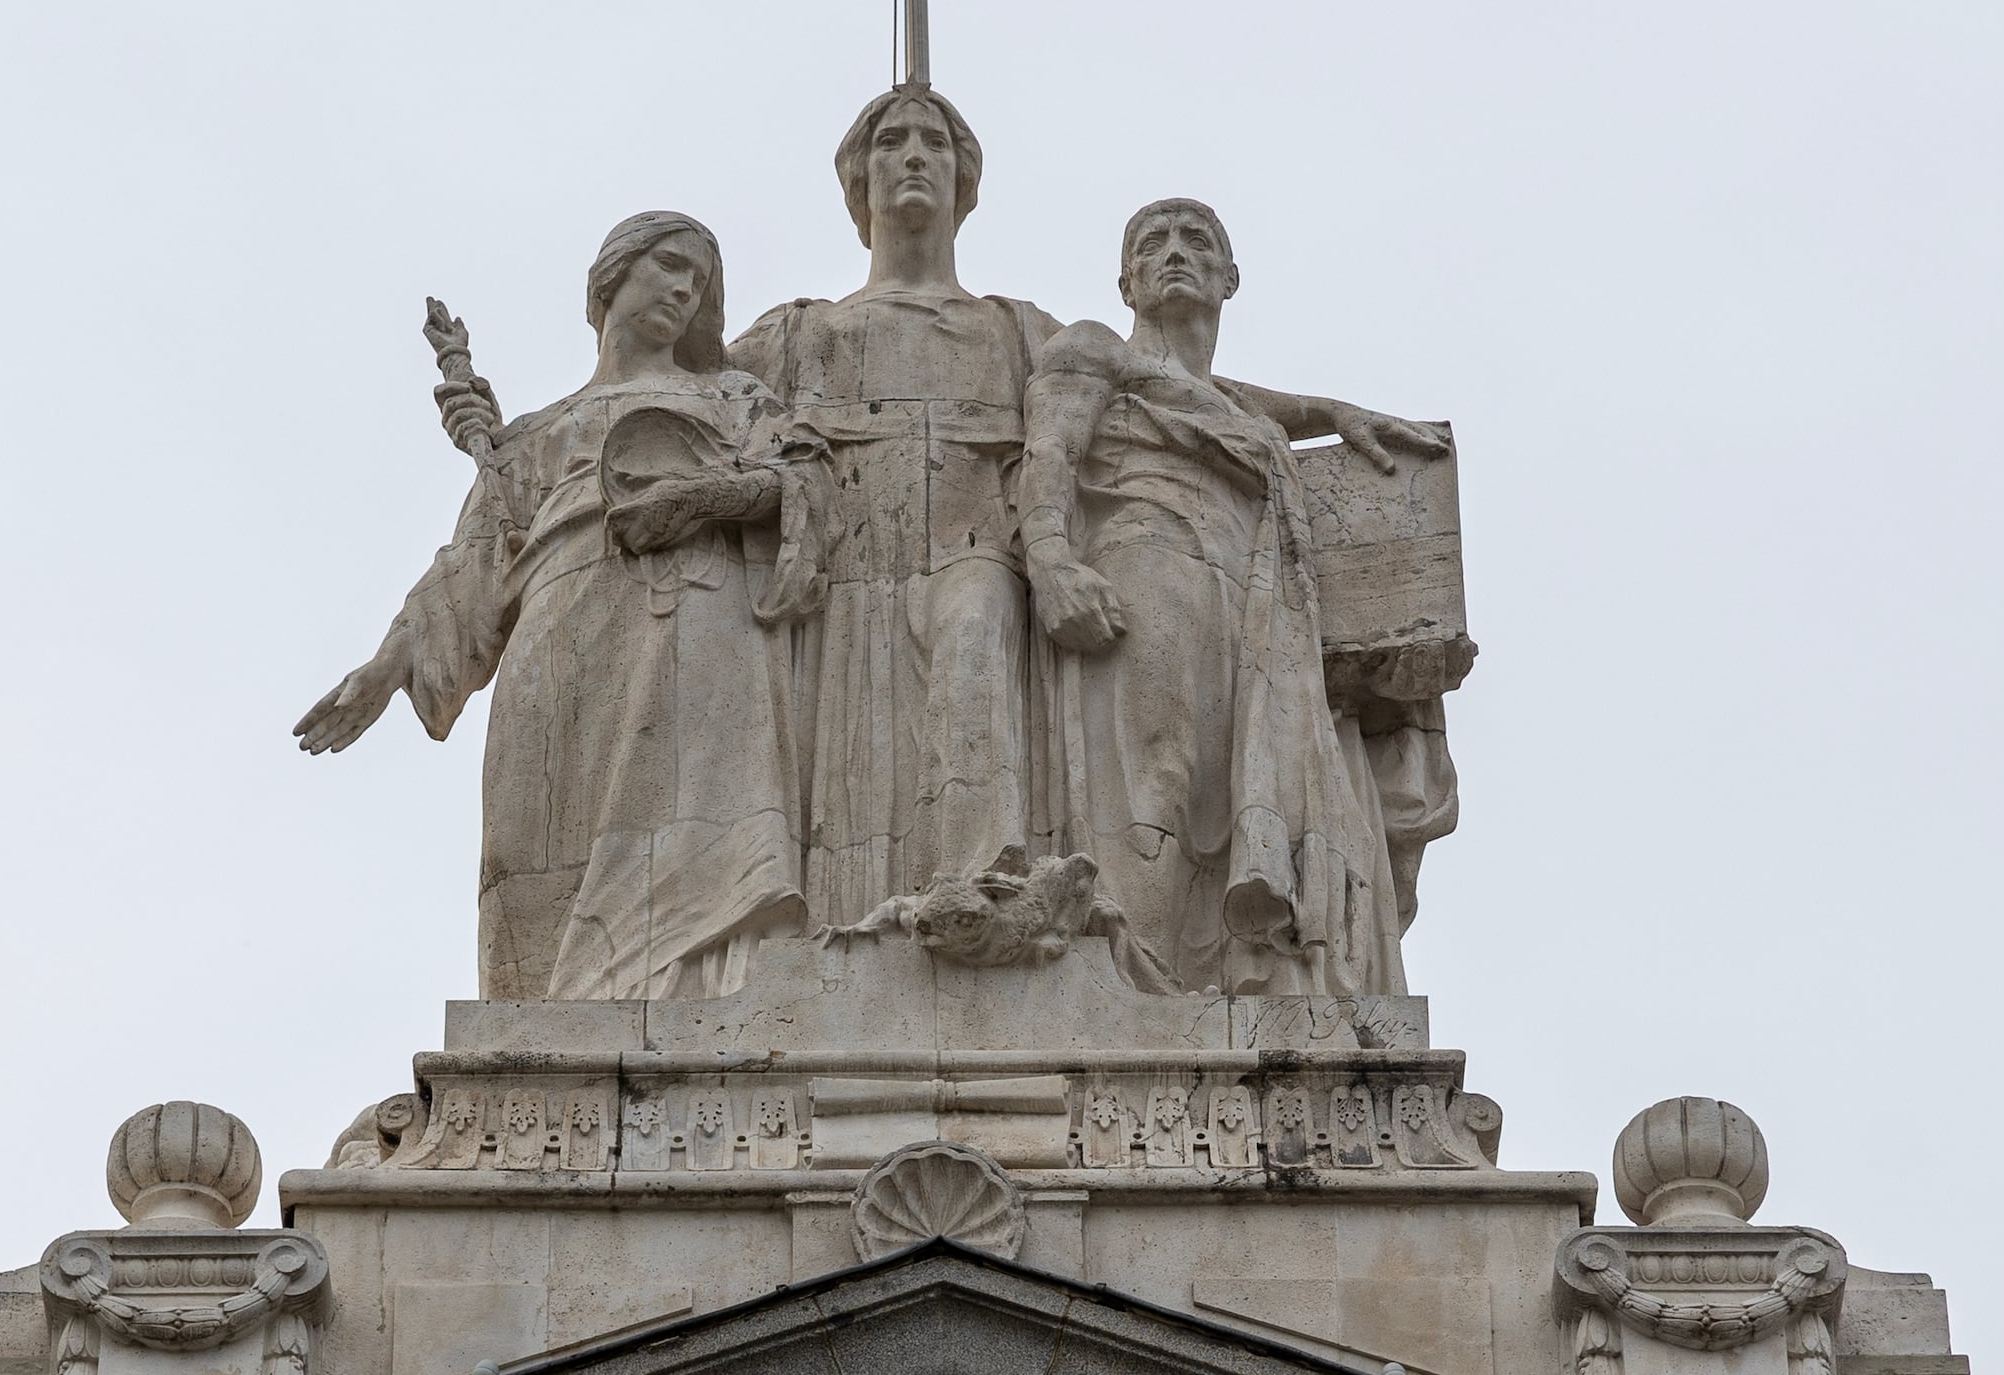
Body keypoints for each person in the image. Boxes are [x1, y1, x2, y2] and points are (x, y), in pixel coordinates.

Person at [295, 216, 807, 1001]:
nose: (681, 288)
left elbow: (799, 484)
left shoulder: (736, 399)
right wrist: (386, 667)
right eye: (666, 266)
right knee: (530, 847)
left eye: (697, 282)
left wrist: (699, 498)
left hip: (693, 622)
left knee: (687, 861)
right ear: (609, 281)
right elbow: (471, 565)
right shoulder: (533, 438)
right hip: (556, 632)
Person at [1022, 198, 1447, 994]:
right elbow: (1046, 453)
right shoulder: (1088, 351)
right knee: (1160, 778)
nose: (1174, 252)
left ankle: (1201, 980)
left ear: (1230, 278)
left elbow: (1221, 398)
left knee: (1233, 793)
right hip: (1146, 566)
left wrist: (1328, 412)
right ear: (1126, 281)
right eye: (1152, 242)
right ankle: (1132, 984)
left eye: (1196, 241)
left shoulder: (1229, 407)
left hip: (1250, 600)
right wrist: (1050, 559)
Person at [725, 87, 1065, 927]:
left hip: (977, 548)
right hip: (844, 583)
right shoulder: (803, 334)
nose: (913, 154)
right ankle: (854, 935)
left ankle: (982, 883)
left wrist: (1320, 417)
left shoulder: (1019, 333)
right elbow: (677, 399)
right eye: (890, 141)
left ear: (963, 181)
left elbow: (1159, 396)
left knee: (975, 633)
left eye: (934, 142)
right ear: (858, 182)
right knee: (855, 780)